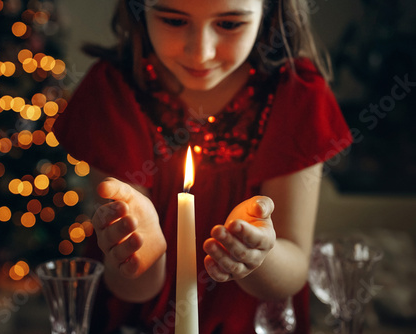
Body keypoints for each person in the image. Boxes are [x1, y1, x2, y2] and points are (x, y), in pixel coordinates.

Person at [53, 0, 353, 333]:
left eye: (229, 24)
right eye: (173, 20)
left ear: (269, 12)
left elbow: (292, 270)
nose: (201, 53)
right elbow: (131, 289)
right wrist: (141, 252)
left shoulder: (295, 94)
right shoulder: (113, 91)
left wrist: (256, 254)